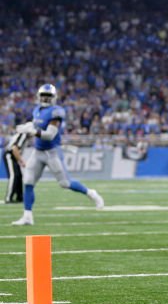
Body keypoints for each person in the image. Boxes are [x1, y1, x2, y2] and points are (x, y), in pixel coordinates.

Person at [12, 85, 104, 226]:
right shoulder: (37, 110)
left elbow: (49, 135)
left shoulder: (56, 112)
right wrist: (27, 126)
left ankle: (91, 193)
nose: (45, 99)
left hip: (51, 152)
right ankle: (27, 216)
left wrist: (31, 131)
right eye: (43, 95)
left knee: (65, 183)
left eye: (48, 96)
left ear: (54, 98)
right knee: (28, 182)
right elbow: (36, 123)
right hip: (37, 152)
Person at [4, 132, 27, 204]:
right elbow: (14, 148)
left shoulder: (23, 135)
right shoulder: (24, 135)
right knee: (13, 176)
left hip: (13, 156)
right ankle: (9, 197)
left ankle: (19, 197)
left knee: (19, 175)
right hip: (10, 155)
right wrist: (21, 161)